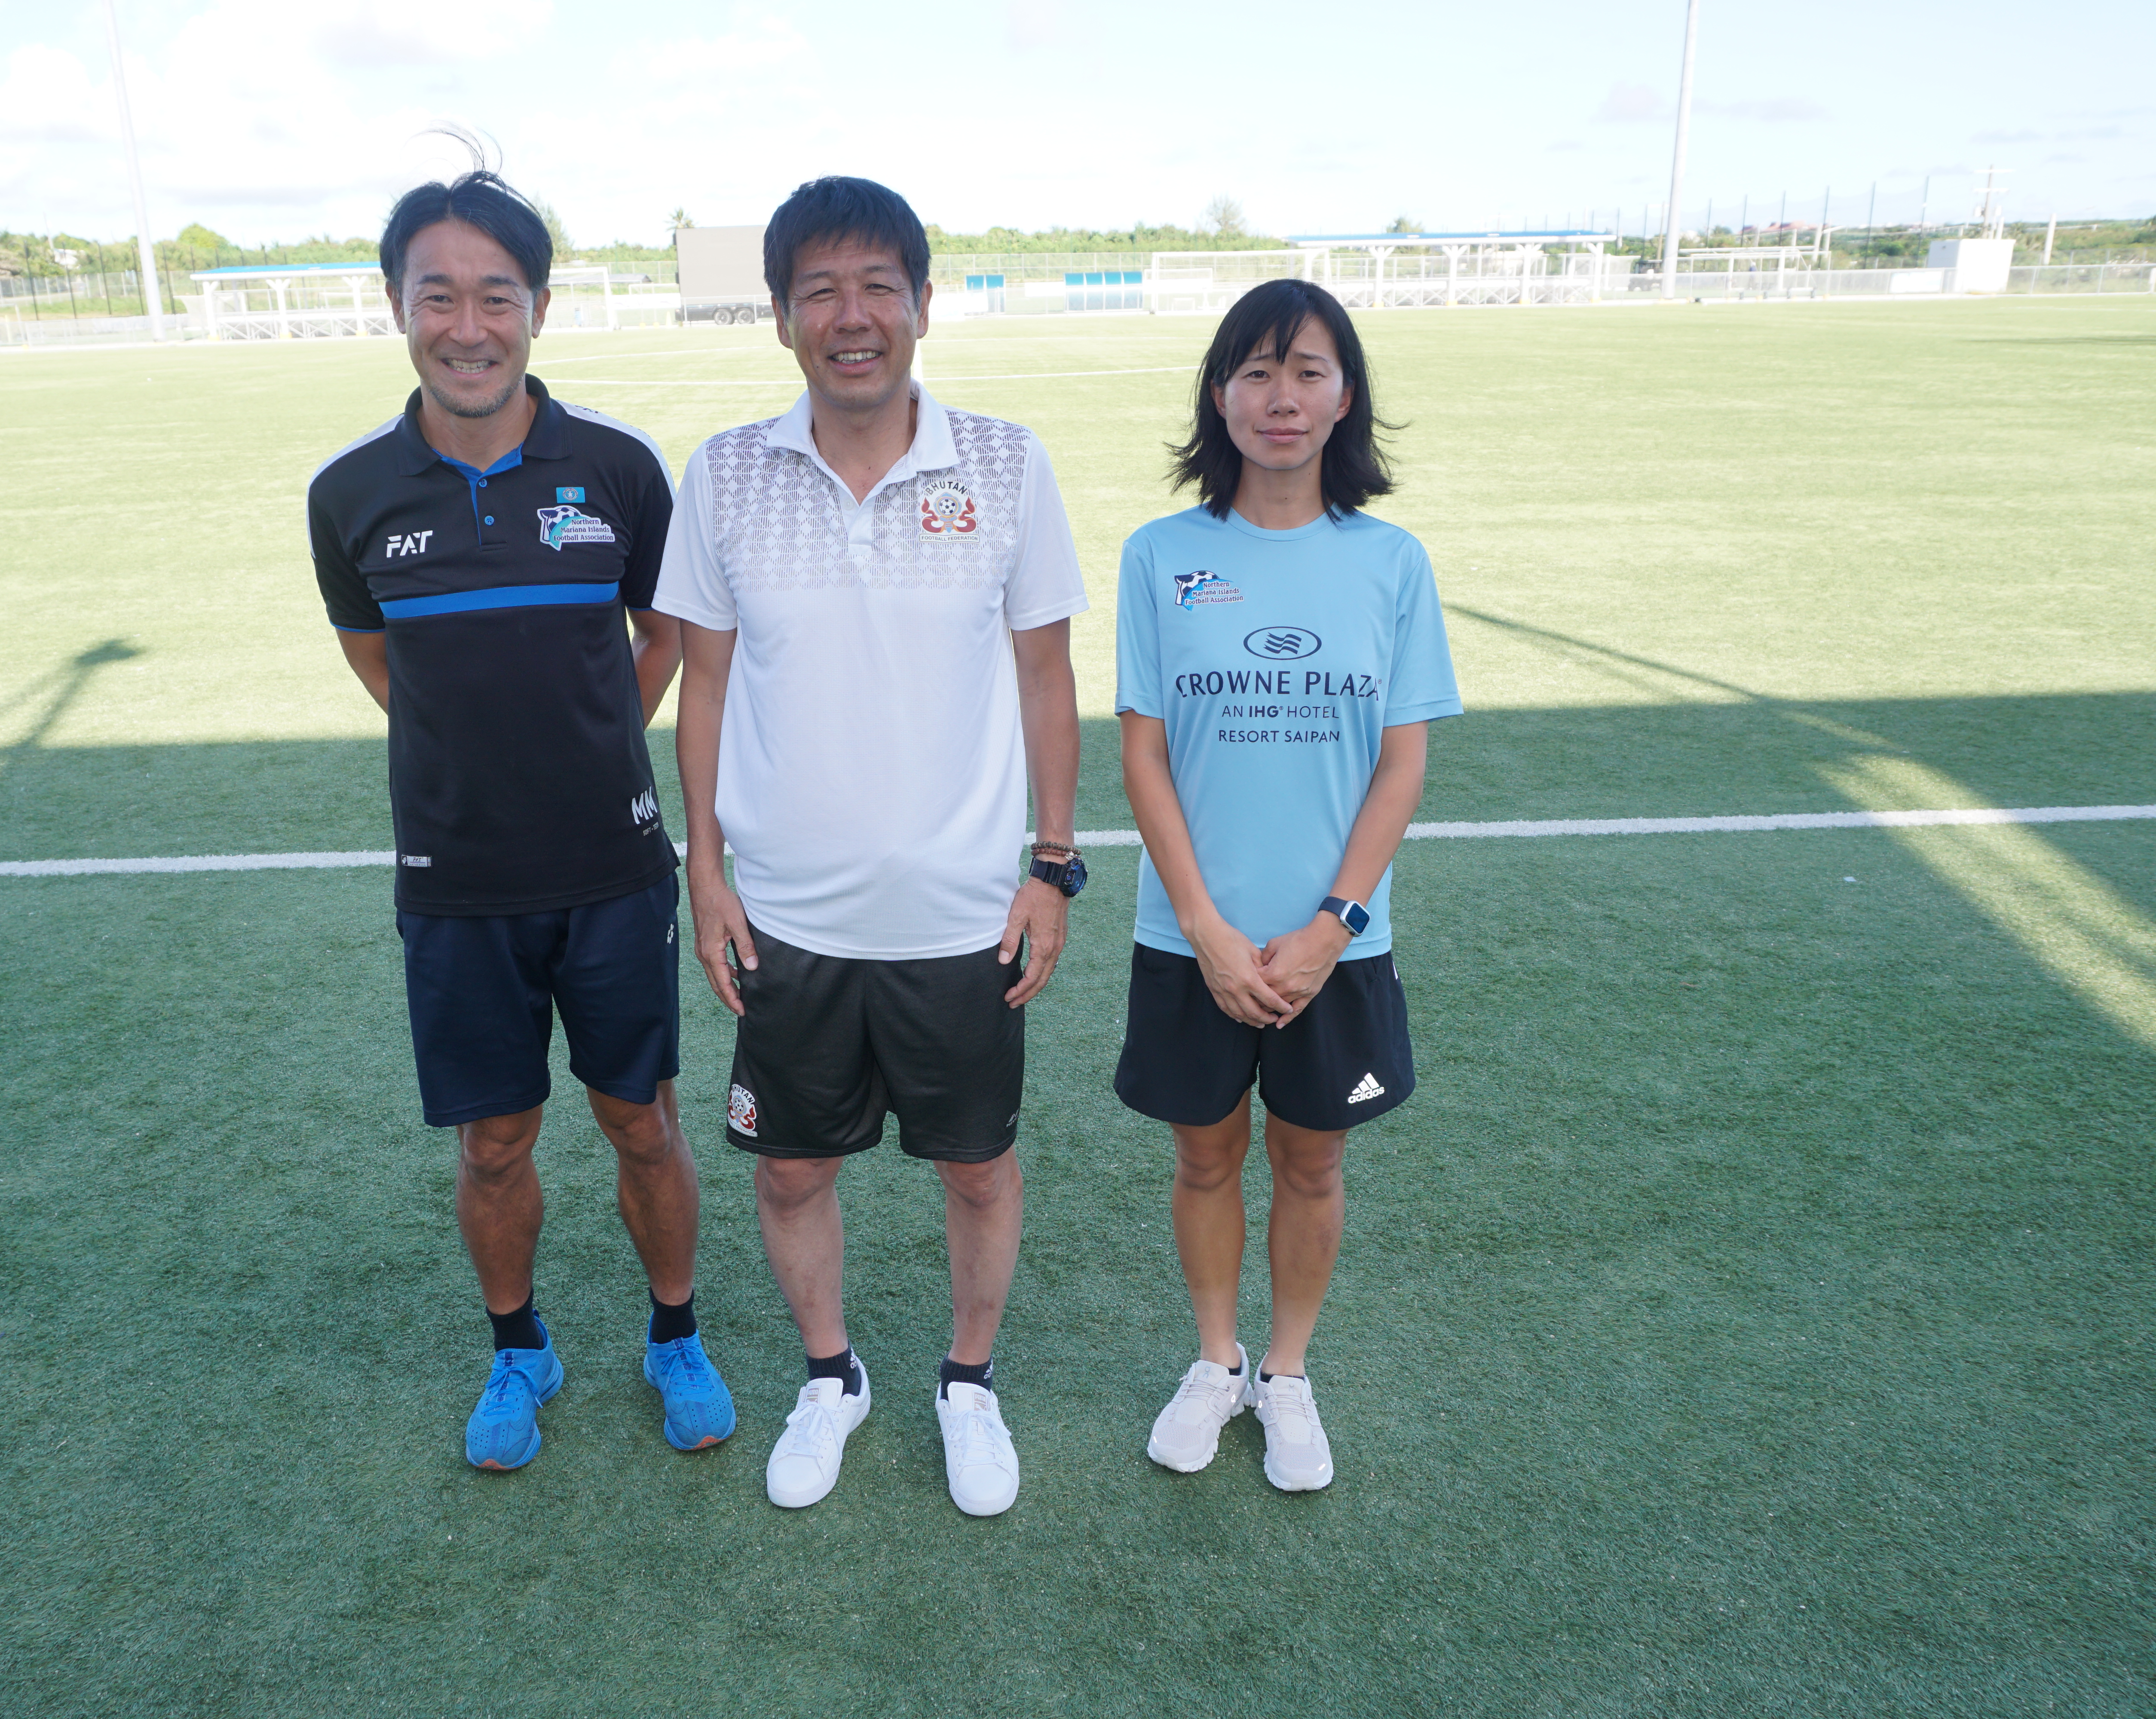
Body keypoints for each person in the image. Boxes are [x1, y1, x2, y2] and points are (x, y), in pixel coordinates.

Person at [654, 176, 1088, 1517]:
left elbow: (1047, 678)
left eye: (877, 289)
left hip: (963, 916)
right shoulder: (726, 470)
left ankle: (968, 1381)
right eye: (821, 292)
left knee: (978, 1165)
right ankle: (833, 1375)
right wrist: (707, 872)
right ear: (781, 316)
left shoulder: (1006, 462)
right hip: (788, 918)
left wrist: (1052, 864)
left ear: (921, 303)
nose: (853, 318)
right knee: (791, 1169)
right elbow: (707, 689)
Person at [306, 169, 733, 1472]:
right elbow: (379, 661)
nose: (470, 324)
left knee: (642, 1119)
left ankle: (675, 1336)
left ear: (539, 307)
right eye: (440, 295)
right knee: (494, 1141)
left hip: (612, 869)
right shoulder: (350, 494)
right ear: (398, 307)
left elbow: (660, 637)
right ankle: (519, 1350)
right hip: (453, 884)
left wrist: (596, 734)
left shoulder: (614, 469)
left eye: (498, 294)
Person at [1113, 278, 1461, 1492]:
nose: (1281, 397)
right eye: (1256, 372)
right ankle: (1216, 1364)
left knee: (1312, 1165)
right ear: (1219, 394)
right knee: (1204, 1160)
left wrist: (1333, 924)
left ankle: (1290, 1373)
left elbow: (1403, 763)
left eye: (1308, 371)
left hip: (1337, 951)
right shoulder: (1163, 556)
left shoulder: (1390, 561)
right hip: (1192, 941)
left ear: (1344, 395)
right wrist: (1205, 926)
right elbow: (1143, 752)